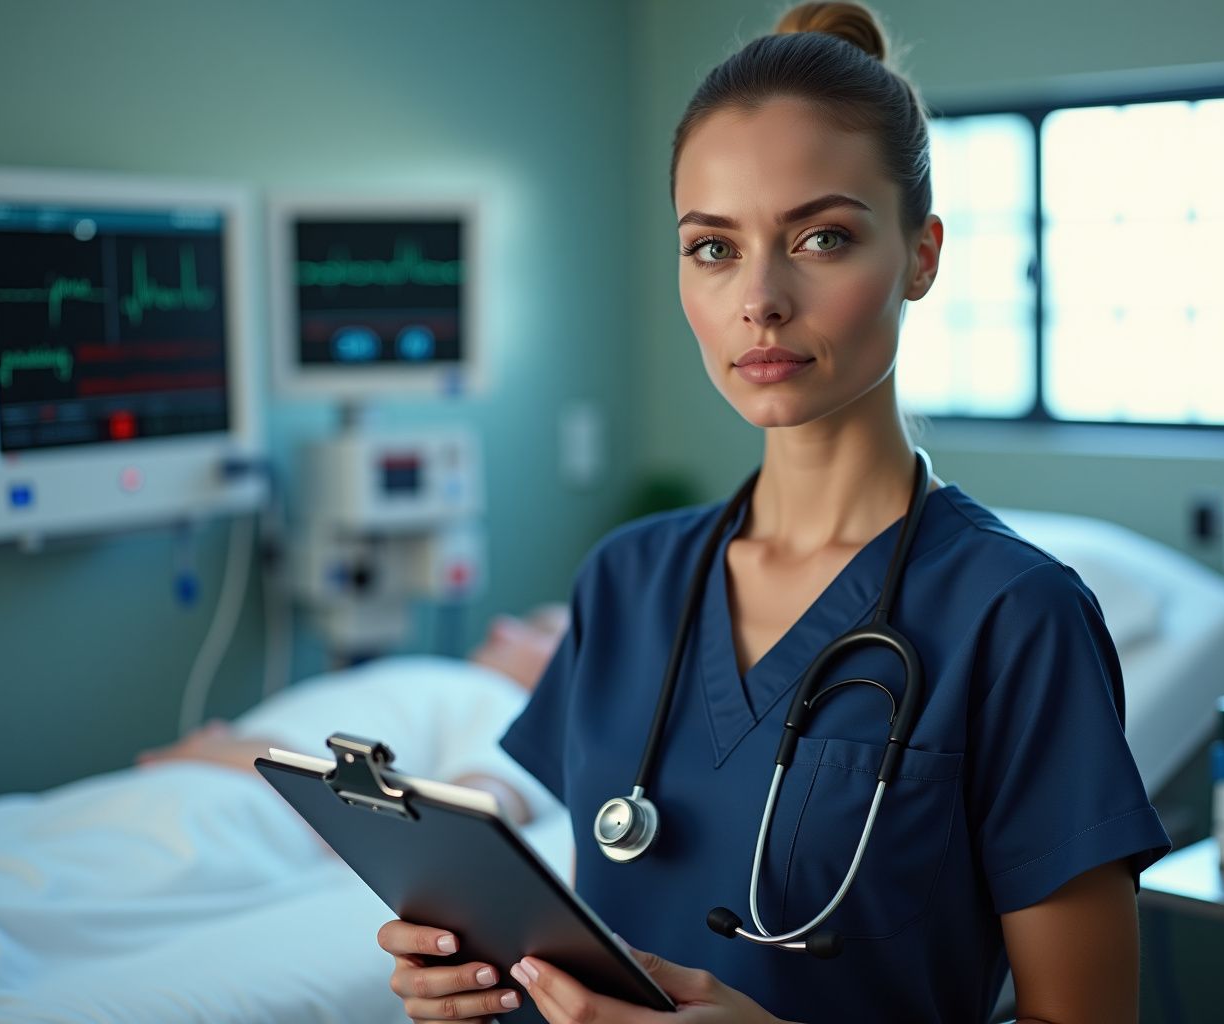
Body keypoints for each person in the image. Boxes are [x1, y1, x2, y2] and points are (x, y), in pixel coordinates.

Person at [376, 3, 1171, 1021]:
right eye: (713, 248)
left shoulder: (1015, 615)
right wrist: (477, 975)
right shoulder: (626, 578)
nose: (760, 297)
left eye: (822, 237)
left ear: (921, 256)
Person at [137, 606, 569, 826]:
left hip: (245, 810)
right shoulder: (450, 682)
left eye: (545, 632)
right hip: (194, 786)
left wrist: (235, 754)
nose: (502, 625)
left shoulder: (515, 710)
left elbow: (459, 826)